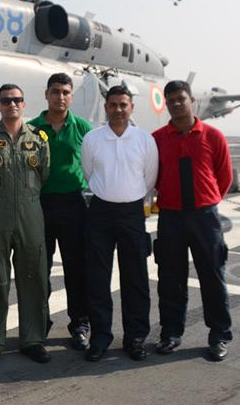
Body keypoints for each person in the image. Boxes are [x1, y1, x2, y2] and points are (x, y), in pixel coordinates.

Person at [0, 84, 51, 369]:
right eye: (6, 100)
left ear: (24, 105)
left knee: (33, 278)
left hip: (31, 213)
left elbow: (45, 174)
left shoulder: (38, 139)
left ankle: (33, 340)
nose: (12, 104)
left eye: (17, 100)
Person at [152, 80, 233, 362]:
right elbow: (153, 176)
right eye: (171, 99)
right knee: (170, 280)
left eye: (181, 98)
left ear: (191, 101)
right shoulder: (158, 138)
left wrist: (207, 201)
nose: (176, 103)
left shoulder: (212, 136)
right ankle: (171, 334)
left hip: (204, 218)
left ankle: (219, 335)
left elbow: (224, 176)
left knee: (212, 277)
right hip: (171, 217)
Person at [81, 85, 158, 362]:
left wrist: (129, 196)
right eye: (113, 105)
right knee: (98, 278)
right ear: (106, 107)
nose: (118, 110)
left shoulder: (144, 140)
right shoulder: (92, 139)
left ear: (131, 108)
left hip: (132, 214)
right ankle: (100, 337)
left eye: (123, 105)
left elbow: (149, 178)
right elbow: (89, 173)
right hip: (100, 213)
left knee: (135, 278)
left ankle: (135, 337)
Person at [27, 73, 92, 350]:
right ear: (46, 94)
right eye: (55, 92)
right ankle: (39, 324)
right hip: (40, 204)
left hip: (73, 204)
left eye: (66, 92)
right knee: (39, 269)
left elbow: (94, 162)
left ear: (71, 96)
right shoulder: (31, 127)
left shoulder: (83, 127)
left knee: (76, 268)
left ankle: (79, 324)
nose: (60, 97)